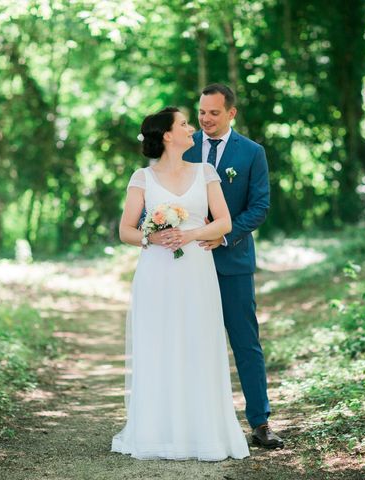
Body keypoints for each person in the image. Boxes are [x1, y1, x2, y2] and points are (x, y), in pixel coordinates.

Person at [112, 107, 250, 461]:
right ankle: (159, 431)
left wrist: (190, 234)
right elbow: (126, 229)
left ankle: (203, 432)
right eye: (185, 123)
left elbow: (224, 222)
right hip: (156, 272)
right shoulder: (142, 178)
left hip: (196, 271)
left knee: (198, 342)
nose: (193, 127)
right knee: (160, 344)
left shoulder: (206, 172)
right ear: (168, 136)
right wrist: (151, 239)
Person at [182, 84, 283, 449]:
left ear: (231, 113)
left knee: (245, 342)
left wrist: (224, 236)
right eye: (202, 113)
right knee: (191, 341)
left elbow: (259, 206)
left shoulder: (252, 153)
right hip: (187, 262)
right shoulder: (184, 145)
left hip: (233, 260)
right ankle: (195, 421)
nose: (205, 120)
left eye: (213, 113)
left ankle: (260, 422)